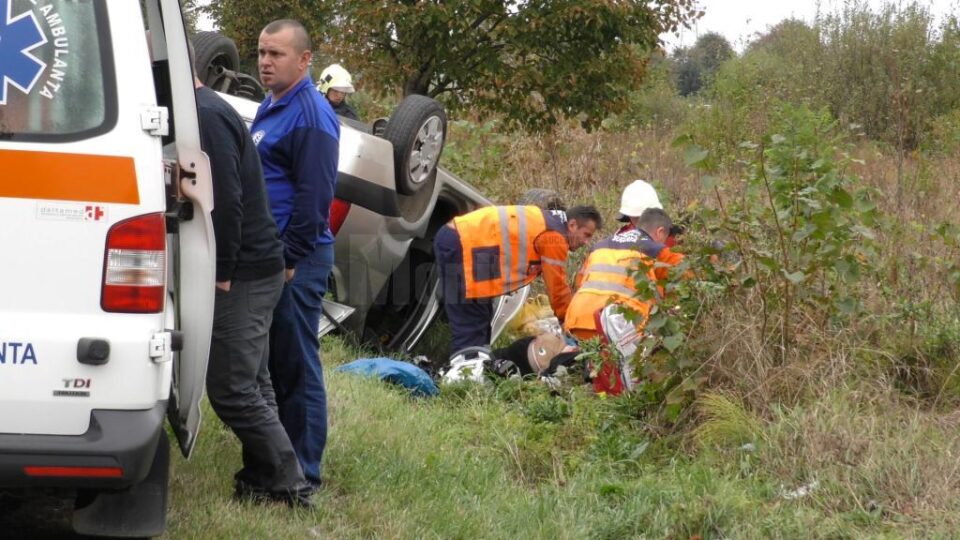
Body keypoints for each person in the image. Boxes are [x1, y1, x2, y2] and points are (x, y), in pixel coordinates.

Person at [193, 46, 313, 507]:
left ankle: (290, 484)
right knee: (256, 384)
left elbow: (228, 198)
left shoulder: (206, 116)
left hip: (244, 271)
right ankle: (261, 480)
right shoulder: (204, 112)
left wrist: (221, 271)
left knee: (231, 388)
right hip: (253, 266)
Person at [251, 19, 340, 489]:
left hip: (297, 261)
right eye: (262, 53)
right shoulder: (273, 104)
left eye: (276, 54)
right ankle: (279, 460)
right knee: (274, 363)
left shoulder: (311, 114)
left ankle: (304, 471)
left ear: (305, 61)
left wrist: (289, 259)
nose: (265, 62)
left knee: (297, 364)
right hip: (275, 256)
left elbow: (315, 198)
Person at [434, 204, 602, 354]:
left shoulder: (548, 222)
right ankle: (464, 377)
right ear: (572, 225)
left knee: (481, 316)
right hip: (464, 244)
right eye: (586, 235)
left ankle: (475, 366)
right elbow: (556, 287)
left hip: (462, 242)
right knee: (471, 320)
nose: (586, 242)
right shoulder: (554, 237)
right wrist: (569, 322)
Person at [564, 207, 684, 342]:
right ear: (660, 232)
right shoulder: (656, 250)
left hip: (577, 321)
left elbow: (580, 282)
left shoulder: (599, 246)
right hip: (619, 331)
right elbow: (688, 274)